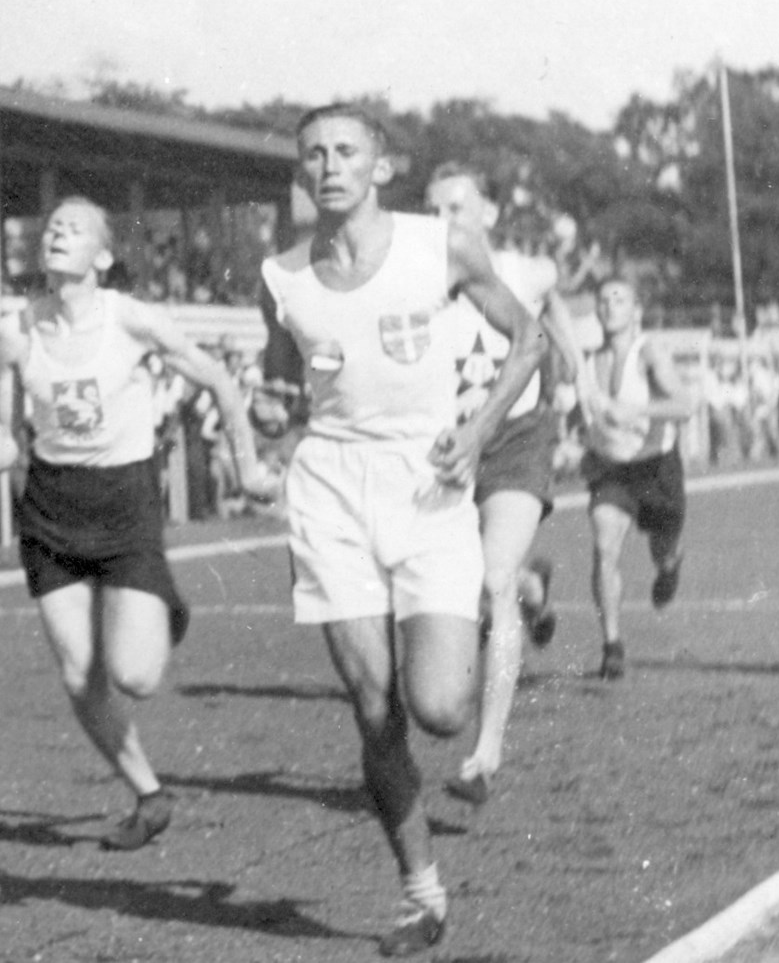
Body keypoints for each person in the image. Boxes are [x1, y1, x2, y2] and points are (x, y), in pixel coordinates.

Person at [254, 105, 544, 956]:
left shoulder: (438, 246)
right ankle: (421, 891)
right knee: (374, 708)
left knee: (441, 707)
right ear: (303, 174)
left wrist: (481, 428)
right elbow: (287, 383)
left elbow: (528, 340)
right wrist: (267, 431)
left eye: (347, 151)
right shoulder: (281, 276)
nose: (330, 164)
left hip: (429, 487)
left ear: (381, 166)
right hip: (331, 497)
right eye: (315, 154)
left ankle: (504, 592)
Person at [0, 196, 274, 851]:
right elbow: (9, 437)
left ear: (102, 257)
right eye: (52, 228)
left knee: (137, 676)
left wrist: (249, 469)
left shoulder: (134, 319)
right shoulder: (19, 327)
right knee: (77, 672)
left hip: (124, 504)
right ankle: (149, 794)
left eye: (75, 229)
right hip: (51, 506)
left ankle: (160, 603)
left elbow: (217, 380)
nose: (58, 234)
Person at [425, 162, 586, 806]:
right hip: (446, 449)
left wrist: (575, 370)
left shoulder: (526, 272)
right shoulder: (416, 283)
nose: (444, 224)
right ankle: (531, 579)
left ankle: (486, 752)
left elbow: (553, 299)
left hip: (518, 442)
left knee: (491, 585)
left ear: (488, 214)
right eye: (433, 211)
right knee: (481, 579)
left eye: (457, 209)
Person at [580, 273, 693, 680]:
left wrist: (638, 413)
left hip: (655, 466)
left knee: (661, 552)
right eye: (604, 299)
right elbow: (585, 416)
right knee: (604, 546)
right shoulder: (587, 362)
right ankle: (612, 644)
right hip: (611, 468)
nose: (610, 306)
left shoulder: (649, 354)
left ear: (636, 312)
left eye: (619, 299)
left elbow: (685, 404)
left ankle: (669, 566)